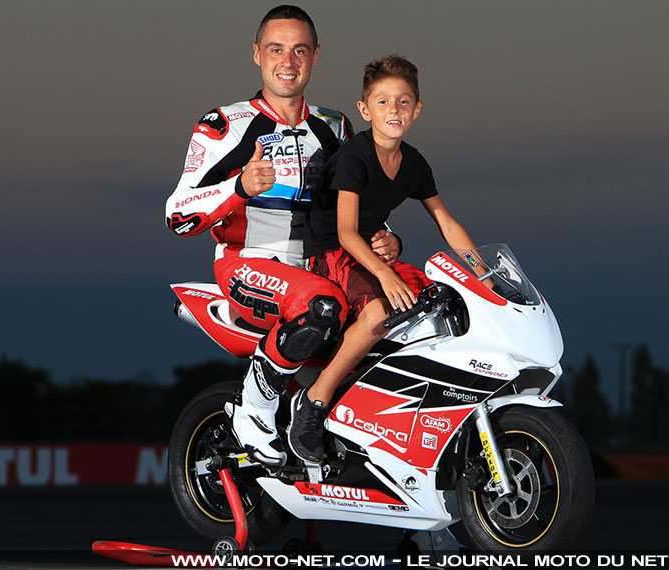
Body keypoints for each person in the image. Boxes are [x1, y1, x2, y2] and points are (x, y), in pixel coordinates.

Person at [165, 6, 401, 466]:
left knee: (407, 308)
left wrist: (386, 237)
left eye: (299, 50)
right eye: (276, 49)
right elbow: (176, 215)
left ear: (315, 57)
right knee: (322, 309)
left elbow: (355, 205)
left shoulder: (335, 127)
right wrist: (239, 186)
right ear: (257, 55)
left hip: (322, 261)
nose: (287, 61)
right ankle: (255, 406)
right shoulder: (223, 124)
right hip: (249, 261)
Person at [294, 54, 481, 463]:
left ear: (417, 108)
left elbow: (445, 220)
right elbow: (345, 232)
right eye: (382, 102)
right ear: (365, 109)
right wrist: (385, 272)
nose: (393, 110)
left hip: (370, 253)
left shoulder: (413, 163)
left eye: (402, 101)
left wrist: (482, 274)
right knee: (380, 312)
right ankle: (315, 401)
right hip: (331, 252)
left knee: (443, 303)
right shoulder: (355, 156)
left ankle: (393, 408)